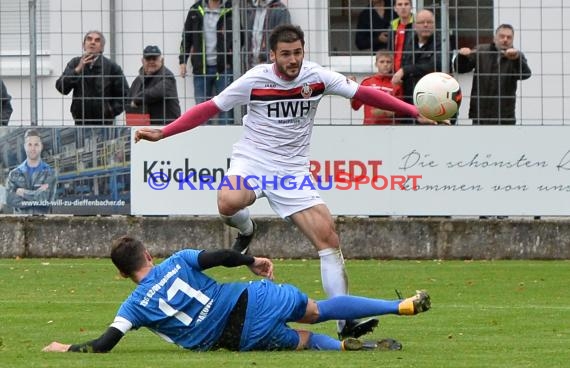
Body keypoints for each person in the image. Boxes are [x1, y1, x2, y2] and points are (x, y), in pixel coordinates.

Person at [135, 24, 434, 340]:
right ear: (272, 54)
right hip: (253, 161)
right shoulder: (255, 79)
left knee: (329, 240)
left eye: (298, 53)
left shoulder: (317, 77)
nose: (293, 60)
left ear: (304, 51)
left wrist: (413, 111)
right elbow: (209, 108)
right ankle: (247, 229)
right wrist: (165, 131)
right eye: (286, 54)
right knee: (228, 201)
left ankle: (344, 325)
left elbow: (364, 93)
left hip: (291, 173)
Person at [42, 236, 431, 353]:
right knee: (321, 308)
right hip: (252, 299)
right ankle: (400, 305)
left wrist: (65, 348)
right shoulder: (178, 260)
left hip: (236, 337)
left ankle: (346, 350)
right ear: (148, 255)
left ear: (122, 273)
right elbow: (222, 256)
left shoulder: (133, 305)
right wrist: (250, 261)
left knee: (304, 341)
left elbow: (105, 343)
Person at [454, 24, 532, 125]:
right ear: (494, 37)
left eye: (509, 37)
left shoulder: (517, 55)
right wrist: (462, 56)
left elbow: (525, 75)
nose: (505, 39)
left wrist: (516, 59)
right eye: (502, 36)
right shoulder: (481, 51)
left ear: (513, 40)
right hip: (480, 114)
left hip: (505, 115)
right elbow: (460, 69)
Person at [179, 0, 236, 125]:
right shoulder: (195, 9)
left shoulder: (231, 9)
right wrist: (182, 61)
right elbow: (186, 37)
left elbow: (240, 36)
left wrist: (230, 50)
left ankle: (225, 141)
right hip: (201, 69)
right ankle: (203, 142)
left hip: (224, 68)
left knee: (226, 108)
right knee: (201, 110)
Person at [55, 30, 130, 126]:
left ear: (102, 48)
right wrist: (77, 70)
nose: (92, 42)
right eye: (89, 39)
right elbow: (61, 88)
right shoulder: (75, 63)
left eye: (97, 40)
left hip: (104, 124)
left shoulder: (111, 67)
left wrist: (110, 111)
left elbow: (125, 95)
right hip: (80, 121)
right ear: (84, 45)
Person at [392, 9, 441, 117]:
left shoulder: (441, 42)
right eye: (421, 22)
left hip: (433, 102)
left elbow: (435, 66)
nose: (425, 25)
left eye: (429, 22)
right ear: (414, 25)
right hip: (408, 101)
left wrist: (405, 70)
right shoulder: (409, 41)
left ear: (434, 25)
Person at [126, 45, 181, 125]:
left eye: (154, 58)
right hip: (143, 128)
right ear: (142, 61)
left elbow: (157, 92)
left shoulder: (167, 76)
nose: (151, 61)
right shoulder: (137, 81)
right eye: (148, 59)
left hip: (167, 128)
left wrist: (137, 100)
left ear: (161, 60)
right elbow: (128, 100)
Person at [6, 129, 57, 214]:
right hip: (21, 224)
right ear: (25, 146)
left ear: (41, 146)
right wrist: (36, 196)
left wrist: (23, 192)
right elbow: (10, 200)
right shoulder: (14, 174)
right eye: (29, 144)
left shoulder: (49, 173)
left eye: (36, 144)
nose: (33, 148)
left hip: (42, 224)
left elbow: (44, 199)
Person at [349, 50, 403, 125]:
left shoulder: (396, 84)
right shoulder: (367, 82)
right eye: (382, 62)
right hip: (369, 128)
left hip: (390, 129)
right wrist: (351, 89)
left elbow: (401, 111)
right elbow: (355, 106)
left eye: (388, 62)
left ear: (392, 64)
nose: (385, 64)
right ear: (376, 64)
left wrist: (385, 112)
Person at [243, 0, 291, 69]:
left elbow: (284, 42)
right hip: (252, 67)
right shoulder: (251, 9)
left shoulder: (280, 10)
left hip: (270, 68)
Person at [390, 0, 414, 72]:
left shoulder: (417, 25)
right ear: (395, 8)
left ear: (411, 7)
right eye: (400, 4)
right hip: (394, 71)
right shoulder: (392, 25)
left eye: (406, 4)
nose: (403, 7)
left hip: (411, 71)